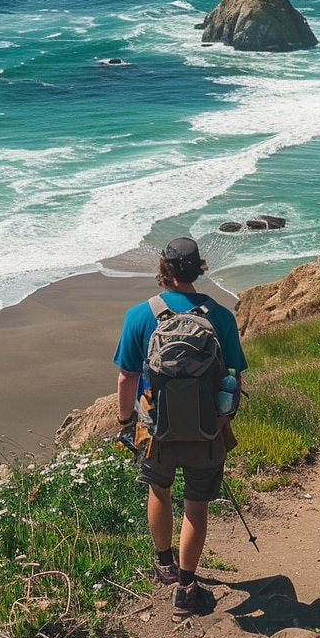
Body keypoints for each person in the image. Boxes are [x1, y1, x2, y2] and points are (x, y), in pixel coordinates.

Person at [114, 237, 248, 618]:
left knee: (159, 489)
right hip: (207, 430)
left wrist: (126, 422)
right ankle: (187, 589)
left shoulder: (140, 316)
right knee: (196, 506)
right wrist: (223, 418)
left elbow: (126, 378)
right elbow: (235, 379)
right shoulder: (221, 317)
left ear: (164, 270)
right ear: (199, 269)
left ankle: (164, 564)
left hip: (158, 429)